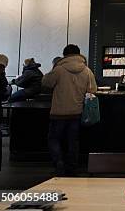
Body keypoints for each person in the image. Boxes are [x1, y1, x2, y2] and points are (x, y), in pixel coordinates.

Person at [41, 44, 97, 176]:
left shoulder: (59, 69)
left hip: (58, 113)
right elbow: (93, 90)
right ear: (79, 54)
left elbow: (46, 83)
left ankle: (59, 163)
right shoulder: (87, 71)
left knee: (54, 139)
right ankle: (72, 167)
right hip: (77, 113)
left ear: (65, 55)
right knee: (73, 141)